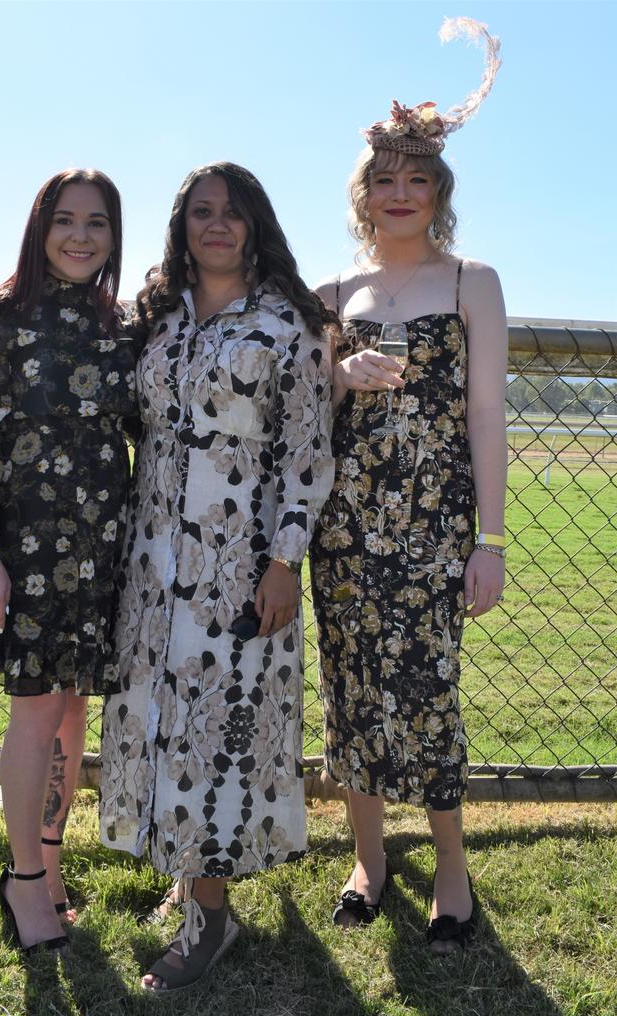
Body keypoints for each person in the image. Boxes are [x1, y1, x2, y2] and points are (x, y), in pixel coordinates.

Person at [98, 162, 336, 992]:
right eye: (201, 211)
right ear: (182, 225)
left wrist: (283, 562)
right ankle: (185, 880)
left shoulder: (287, 323)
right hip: (152, 560)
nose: (217, 225)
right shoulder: (158, 317)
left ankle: (212, 918)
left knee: (215, 726)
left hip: (238, 566)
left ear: (256, 224)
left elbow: (309, 454)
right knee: (160, 717)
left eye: (233, 213)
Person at [310, 18, 507, 954]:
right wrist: (335, 373)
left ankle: (454, 871)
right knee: (351, 688)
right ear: (364, 192)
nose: (399, 194)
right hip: (343, 521)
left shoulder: (473, 279)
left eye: (415, 178)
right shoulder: (333, 287)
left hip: (434, 524)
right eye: (383, 180)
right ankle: (368, 860)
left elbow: (484, 417)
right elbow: (300, 395)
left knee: (428, 691)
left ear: (439, 190)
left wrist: (490, 539)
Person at [0, 168, 138, 953]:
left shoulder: (115, 324)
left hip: (100, 542)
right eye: (65, 220)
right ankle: (22, 884)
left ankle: (51, 869)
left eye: (97, 223)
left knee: (73, 704)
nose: (80, 236)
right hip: (22, 546)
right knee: (34, 707)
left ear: (114, 236)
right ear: (38, 225)